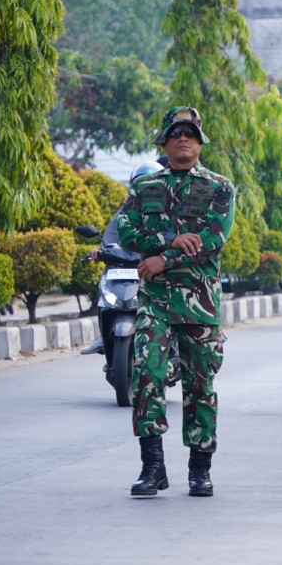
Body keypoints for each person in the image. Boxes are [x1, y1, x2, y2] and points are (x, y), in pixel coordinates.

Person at [118, 106, 236, 498]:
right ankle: (152, 467)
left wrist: (163, 260)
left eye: (190, 132)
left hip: (200, 303)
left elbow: (213, 239)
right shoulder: (145, 186)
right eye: (175, 132)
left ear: (200, 141)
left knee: (200, 385)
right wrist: (167, 240)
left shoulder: (220, 187)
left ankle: (199, 469)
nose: (183, 138)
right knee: (147, 376)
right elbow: (126, 230)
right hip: (155, 302)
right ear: (164, 141)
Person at [80, 160, 164, 356]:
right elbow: (110, 240)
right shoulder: (124, 213)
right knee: (107, 299)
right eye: (141, 185)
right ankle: (105, 335)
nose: (146, 191)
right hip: (128, 268)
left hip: (158, 271)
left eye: (152, 186)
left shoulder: (168, 215)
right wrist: (101, 252)